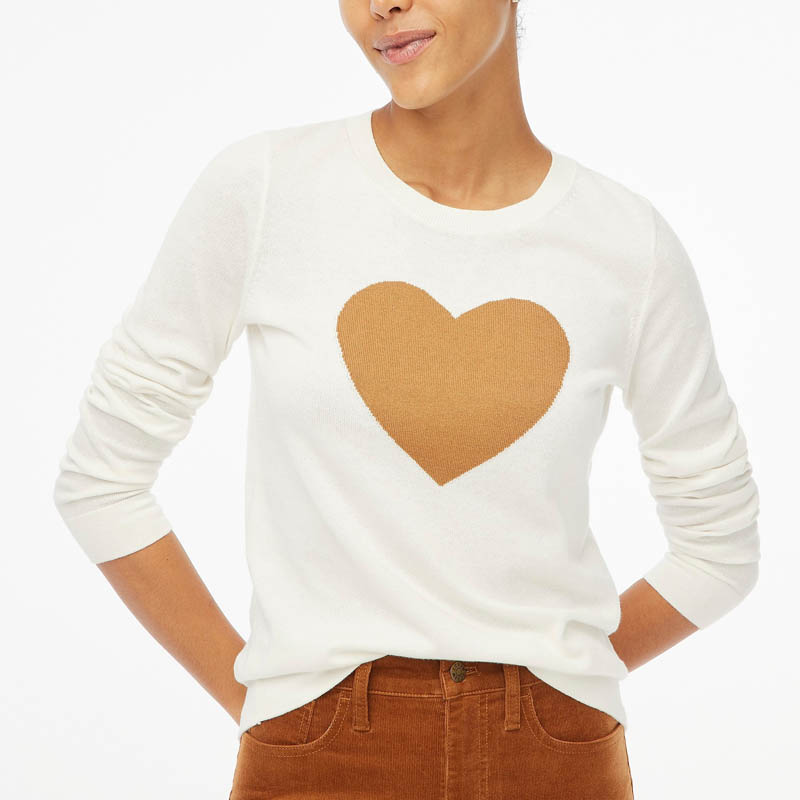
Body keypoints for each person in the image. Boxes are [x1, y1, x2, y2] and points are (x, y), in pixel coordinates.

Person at [53, 1, 761, 797]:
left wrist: (562, 676)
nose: (382, 5)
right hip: (314, 753)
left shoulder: (627, 244)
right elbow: (101, 480)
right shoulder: (267, 190)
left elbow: (720, 549)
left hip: (556, 759)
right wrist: (268, 702)